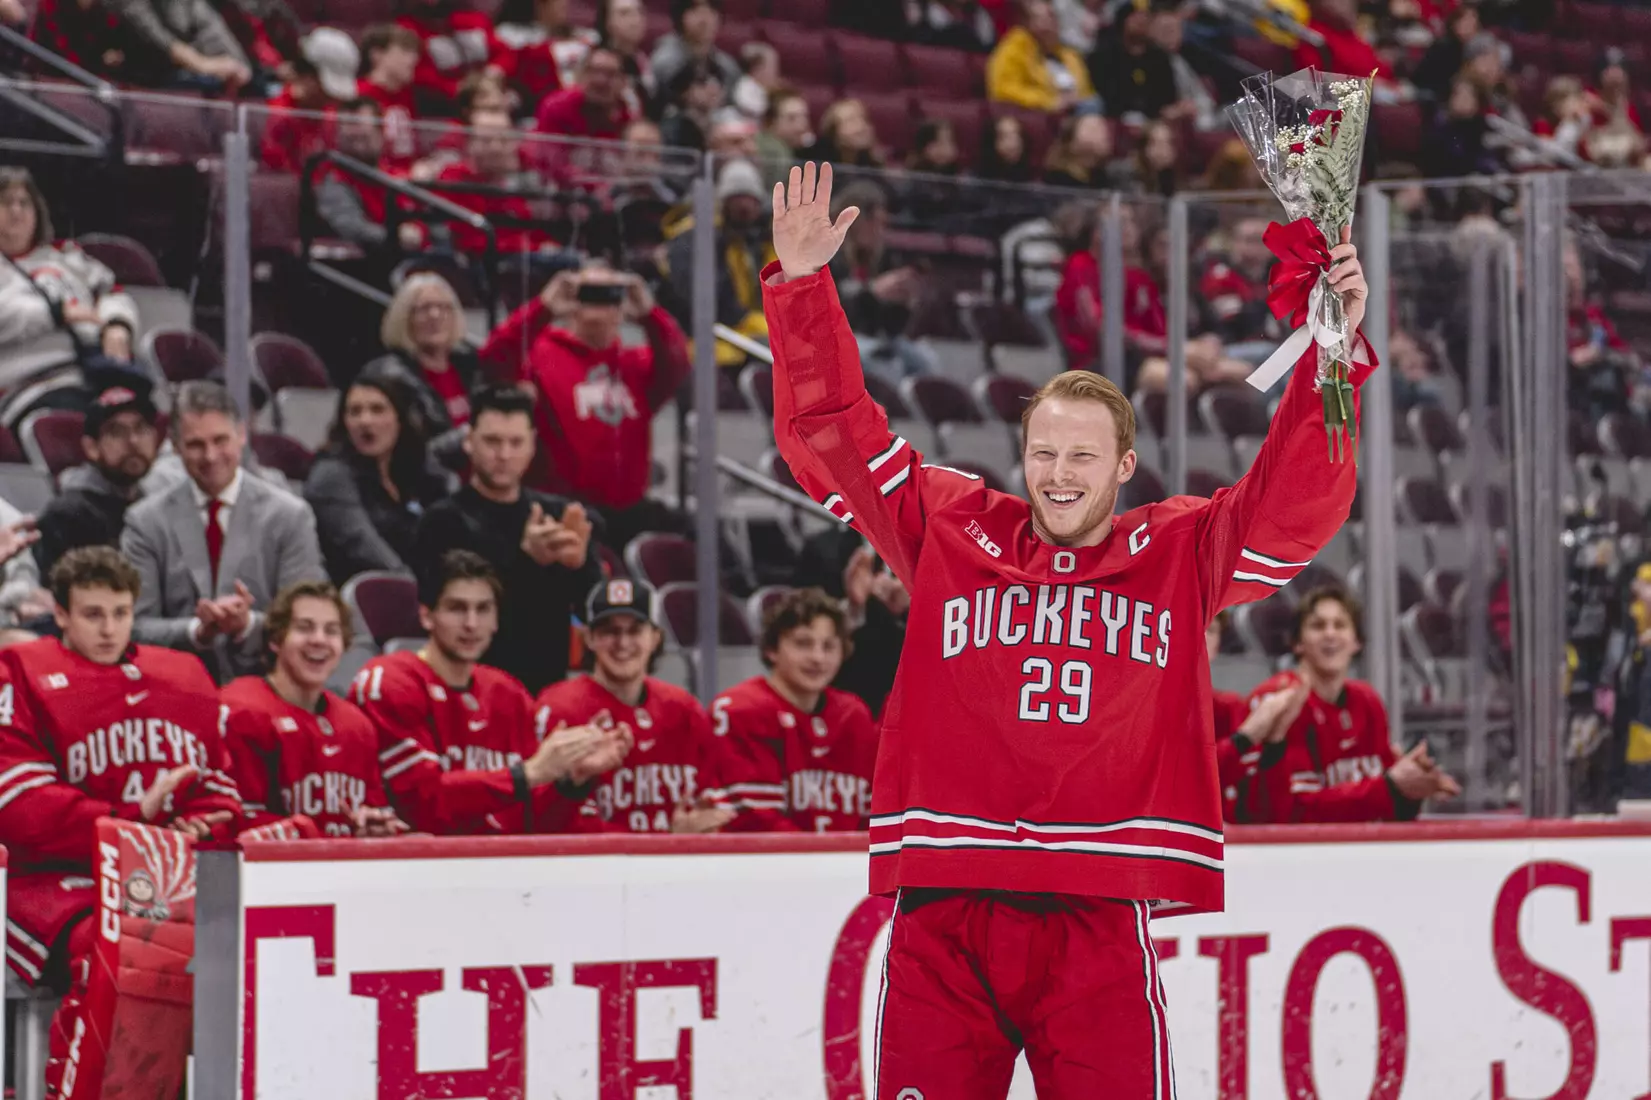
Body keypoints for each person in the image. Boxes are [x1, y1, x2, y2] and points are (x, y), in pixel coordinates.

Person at [763, 162, 1373, 1096]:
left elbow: (1294, 504)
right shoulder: (950, 527)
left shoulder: (1177, 550)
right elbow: (835, 433)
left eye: (1081, 455)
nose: (1057, 472)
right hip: (945, 904)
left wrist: (1331, 351)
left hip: (1098, 909)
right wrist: (803, 289)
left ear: (1122, 463)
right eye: (1042, 451)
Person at [0, 547, 242, 1097]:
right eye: (92, 614)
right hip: (56, 881)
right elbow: (19, 807)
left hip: (165, 873)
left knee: (243, 944)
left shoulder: (183, 673)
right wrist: (134, 823)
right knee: (124, 948)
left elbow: (220, 788)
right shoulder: (20, 672)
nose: (109, 629)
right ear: (59, 614)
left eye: (121, 612)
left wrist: (198, 827)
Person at [352, 549, 629, 833]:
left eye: (483, 609)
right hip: (420, 868)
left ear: (496, 620)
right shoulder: (389, 682)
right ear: (426, 616)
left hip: (502, 867)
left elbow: (535, 821)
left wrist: (571, 781)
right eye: (457, 608)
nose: (472, 624)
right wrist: (527, 774)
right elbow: (422, 803)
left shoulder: (508, 692)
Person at [120, 381, 326, 683]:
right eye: (195, 445)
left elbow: (310, 619)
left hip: (269, 686)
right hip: (173, 688)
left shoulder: (290, 516)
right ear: (175, 446)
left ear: (242, 435)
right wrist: (197, 632)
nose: (211, 456)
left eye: (221, 440)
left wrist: (246, 626)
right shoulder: (145, 521)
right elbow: (133, 625)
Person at [478, 265, 689, 550]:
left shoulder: (635, 364)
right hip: (562, 508)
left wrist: (650, 315)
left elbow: (678, 364)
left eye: (609, 294)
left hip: (627, 508)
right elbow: (494, 359)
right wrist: (544, 307)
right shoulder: (541, 354)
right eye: (588, 293)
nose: (598, 303)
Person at [412, 385, 601, 692]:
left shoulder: (559, 516)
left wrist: (579, 568)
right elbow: (463, 617)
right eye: (492, 441)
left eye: (516, 442)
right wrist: (527, 561)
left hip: (548, 690)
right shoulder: (442, 522)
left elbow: (593, 614)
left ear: (532, 445)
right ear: (469, 441)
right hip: (469, 689)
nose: (504, 454)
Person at [1247, 586, 1460, 823]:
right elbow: (1293, 813)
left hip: (1354, 850)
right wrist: (1390, 786)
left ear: (1356, 642)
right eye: (1318, 626)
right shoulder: (1278, 700)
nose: (1330, 634)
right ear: (1297, 643)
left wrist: (1412, 788)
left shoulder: (1367, 701)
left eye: (1340, 625)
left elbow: (1388, 809)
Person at [535, 578, 732, 833]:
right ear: (590, 639)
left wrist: (703, 824)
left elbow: (712, 804)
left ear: (655, 638)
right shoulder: (559, 709)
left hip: (679, 869)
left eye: (635, 630)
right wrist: (667, 842)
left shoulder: (684, 709)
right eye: (610, 631)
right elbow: (550, 823)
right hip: (593, 869)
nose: (623, 643)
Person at [221, 580, 407, 837]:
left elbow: (372, 808)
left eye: (331, 631)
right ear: (276, 640)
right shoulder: (241, 709)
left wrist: (373, 826)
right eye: (304, 628)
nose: (319, 640)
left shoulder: (356, 724)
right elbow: (237, 823)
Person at [713, 587, 877, 833]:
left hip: (846, 868)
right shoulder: (740, 710)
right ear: (772, 649)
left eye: (829, 646)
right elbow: (756, 822)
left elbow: (871, 816)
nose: (817, 658)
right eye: (803, 644)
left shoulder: (854, 714)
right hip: (768, 868)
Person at [305, 361, 456, 583]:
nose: (365, 421)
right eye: (355, 411)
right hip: (361, 598)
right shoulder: (331, 476)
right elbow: (364, 549)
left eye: (377, 409)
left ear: (400, 419)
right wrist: (422, 589)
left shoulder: (411, 472)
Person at [0, 166, 139, 368]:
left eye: (24, 203)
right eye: (5, 202)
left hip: (96, 367)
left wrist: (117, 324)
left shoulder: (65, 256)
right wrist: (58, 312)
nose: (16, 210)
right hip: (29, 378)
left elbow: (112, 293)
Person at [33, 371, 159, 578]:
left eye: (141, 428)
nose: (134, 441)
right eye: (117, 432)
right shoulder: (68, 515)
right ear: (91, 447)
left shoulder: (156, 502)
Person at [1205, 610, 1307, 823]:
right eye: (1193, 624)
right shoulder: (1145, 704)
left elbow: (1261, 812)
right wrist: (1244, 738)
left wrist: (1275, 741)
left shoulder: (1229, 708)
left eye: (1211, 629)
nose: (1201, 636)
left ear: (1218, 644)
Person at [986, 0, 1095, 114]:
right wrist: (1049, 101)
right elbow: (1003, 89)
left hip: (1080, 108)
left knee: (1094, 104)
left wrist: (1075, 98)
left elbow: (1086, 91)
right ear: (1027, 23)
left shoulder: (1069, 54)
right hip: (1043, 113)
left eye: (1052, 17)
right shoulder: (1013, 50)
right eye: (1041, 19)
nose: (1049, 24)